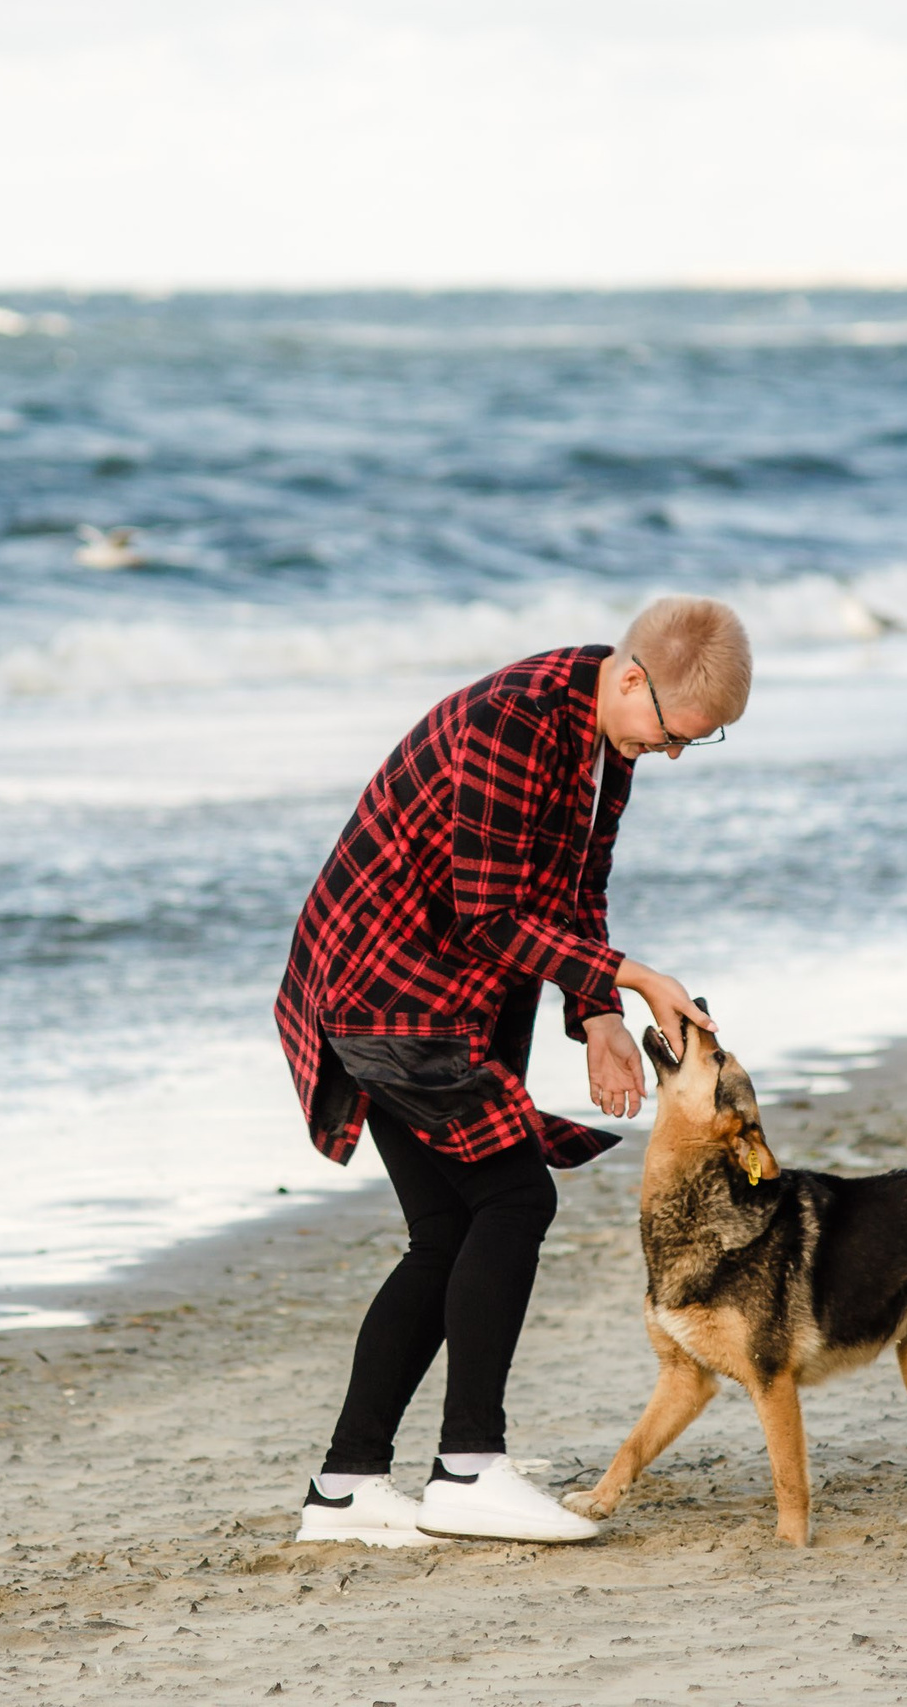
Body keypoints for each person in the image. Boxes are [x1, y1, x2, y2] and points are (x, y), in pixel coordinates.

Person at [275, 596, 750, 1546]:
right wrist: (637, 977)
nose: (670, 755)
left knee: (449, 1230)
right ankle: (468, 1468)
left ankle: (345, 1488)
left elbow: (576, 889)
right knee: (513, 1198)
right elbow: (488, 913)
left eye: (692, 745)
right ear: (632, 677)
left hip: (457, 992)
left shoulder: (608, 734)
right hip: (387, 985)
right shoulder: (514, 722)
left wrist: (598, 1013)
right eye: (672, 735)